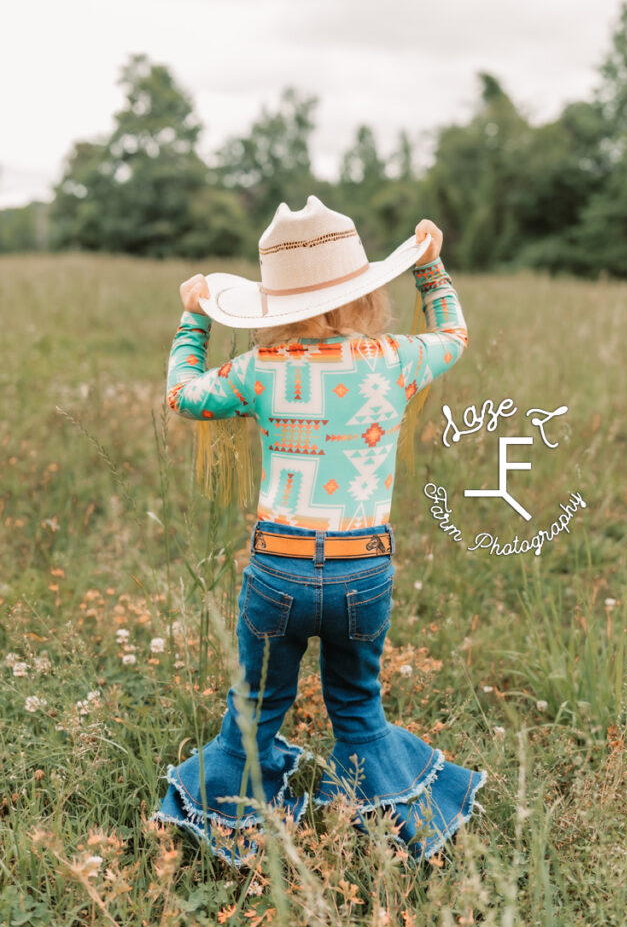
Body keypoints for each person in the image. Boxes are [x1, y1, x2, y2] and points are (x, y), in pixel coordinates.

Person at [149, 196, 487, 866]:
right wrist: (431, 269)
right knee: (358, 705)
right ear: (362, 295)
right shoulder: (394, 358)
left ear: (274, 308)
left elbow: (182, 394)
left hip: (278, 569)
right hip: (363, 569)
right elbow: (452, 336)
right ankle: (398, 836)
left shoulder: (260, 371)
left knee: (255, 707)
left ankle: (233, 829)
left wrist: (193, 319)